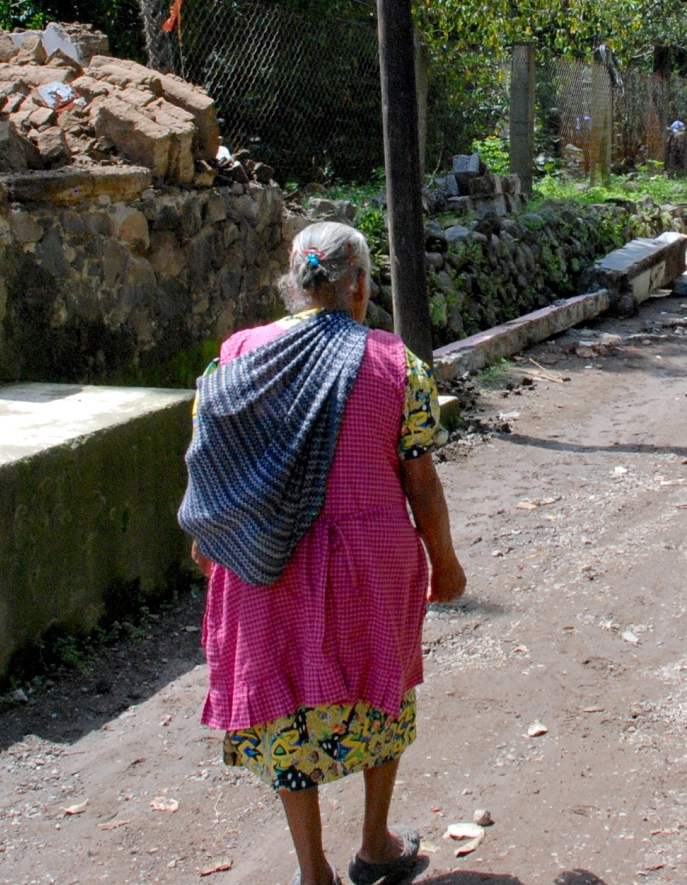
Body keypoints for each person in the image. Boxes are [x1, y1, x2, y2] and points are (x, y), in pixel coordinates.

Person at [179, 222, 466, 885]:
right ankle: (375, 841)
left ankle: (314, 871)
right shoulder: (396, 363)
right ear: (361, 283)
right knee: (382, 686)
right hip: (369, 560)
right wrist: (445, 560)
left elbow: (210, 450)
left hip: (262, 560)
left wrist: (210, 535)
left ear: (295, 283)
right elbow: (419, 480)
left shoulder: (238, 354)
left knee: (283, 708)